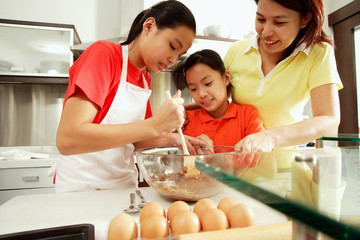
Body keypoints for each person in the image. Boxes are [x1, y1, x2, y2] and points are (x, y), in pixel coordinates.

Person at [55, 0, 204, 192]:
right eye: (172, 46)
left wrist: (175, 140)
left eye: (180, 54)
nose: (173, 59)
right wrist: (155, 124)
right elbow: (68, 139)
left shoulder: (144, 79)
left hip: (123, 187)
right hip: (84, 189)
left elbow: (135, 139)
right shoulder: (104, 55)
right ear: (149, 26)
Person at [224, 0, 342, 154]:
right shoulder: (236, 51)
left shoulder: (317, 52)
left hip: (286, 169)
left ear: (305, 19)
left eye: (279, 22)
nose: (266, 32)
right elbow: (214, 102)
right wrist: (183, 111)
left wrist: (271, 137)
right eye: (260, 19)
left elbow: (329, 120)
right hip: (239, 164)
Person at [181, 49, 265, 147]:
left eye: (208, 83)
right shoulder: (188, 120)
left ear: (226, 78)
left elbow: (260, 158)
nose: (201, 94)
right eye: (193, 89)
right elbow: (186, 160)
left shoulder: (247, 116)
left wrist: (211, 155)